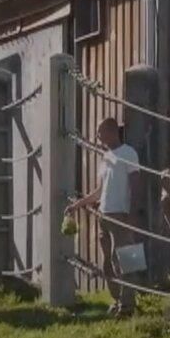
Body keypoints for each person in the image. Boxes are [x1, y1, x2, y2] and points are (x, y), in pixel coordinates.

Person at [65, 117, 141, 317]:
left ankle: (129, 304)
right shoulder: (105, 157)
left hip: (121, 213)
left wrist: (133, 213)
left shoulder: (129, 153)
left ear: (111, 131)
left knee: (125, 258)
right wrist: (77, 205)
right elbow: (100, 191)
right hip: (104, 213)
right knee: (107, 260)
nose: (97, 136)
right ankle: (117, 300)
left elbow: (136, 184)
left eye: (100, 131)